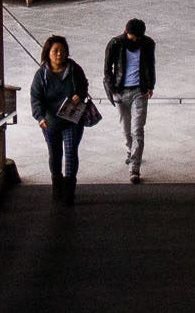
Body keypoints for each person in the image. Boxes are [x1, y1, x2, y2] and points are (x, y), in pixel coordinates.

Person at [28, 34, 89, 204]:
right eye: (55, 51)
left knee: (70, 152)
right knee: (55, 155)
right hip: (50, 121)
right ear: (48, 52)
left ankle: (69, 190)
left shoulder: (74, 69)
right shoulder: (42, 75)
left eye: (62, 51)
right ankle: (57, 184)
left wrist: (79, 95)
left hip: (72, 119)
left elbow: (84, 85)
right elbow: (35, 97)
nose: (59, 54)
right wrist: (39, 117)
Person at [103, 18, 156, 183]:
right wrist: (112, 88)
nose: (136, 40)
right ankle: (129, 149)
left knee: (137, 130)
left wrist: (150, 85)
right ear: (126, 32)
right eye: (133, 37)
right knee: (126, 130)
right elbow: (107, 69)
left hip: (139, 92)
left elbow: (150, 64)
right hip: (120, 92)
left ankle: (134, 168)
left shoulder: (147, 43)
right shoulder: (115, 43)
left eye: (139, 37)